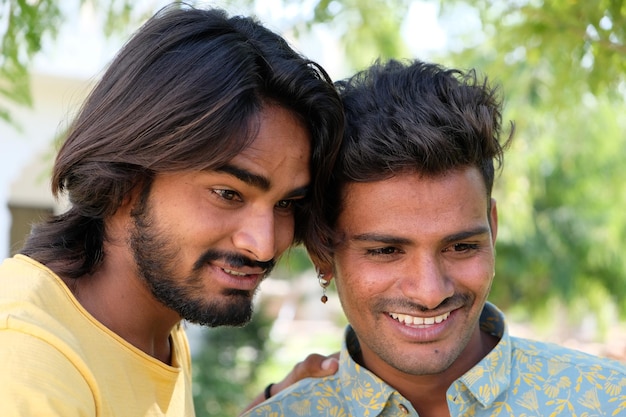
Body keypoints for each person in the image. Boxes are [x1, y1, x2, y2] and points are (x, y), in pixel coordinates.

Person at [0, 4, 343, 416]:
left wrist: (271, 405)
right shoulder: (28, 357)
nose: (264, 245)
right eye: (227, 193)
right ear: (127, 178)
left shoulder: (154, 322)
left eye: (286, 204)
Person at [243, 59, 626, 416]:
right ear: (323, 253)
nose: (429, 293)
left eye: (461, 247)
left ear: (492, 230)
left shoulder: (609, 400)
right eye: (386, 250)